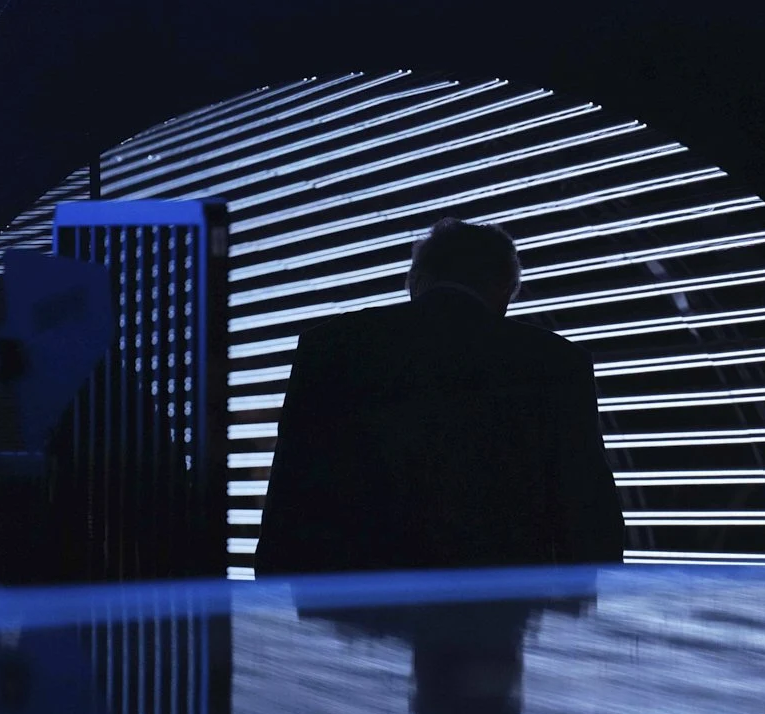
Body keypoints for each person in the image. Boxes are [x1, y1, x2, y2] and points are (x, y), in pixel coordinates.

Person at [254, 217, 625, 575]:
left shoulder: (330, 347)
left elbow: (292, 488)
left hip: (357, 609)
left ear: (417, 278)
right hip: (500, 608)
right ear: (503, 289)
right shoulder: (556, 361)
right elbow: (586, 504)